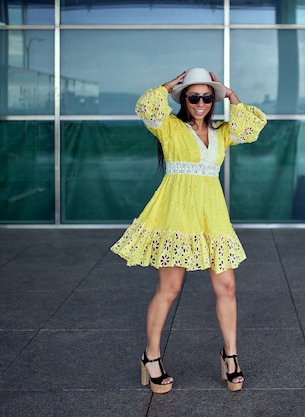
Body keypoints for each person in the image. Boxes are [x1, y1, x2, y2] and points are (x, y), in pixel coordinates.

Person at [111, 67, 267, 394]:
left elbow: (250, 127)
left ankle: (230, 356)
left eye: (207, 97)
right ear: (183, 98)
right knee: (169, 288)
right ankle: (150, 357)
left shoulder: (223, 132)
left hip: (212, 218)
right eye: (193, 96)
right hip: (176, 216)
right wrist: (170, 84)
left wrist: (230, 93)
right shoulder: (168, 127)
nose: (200, 102)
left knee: (227, 286)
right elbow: (146, 106)